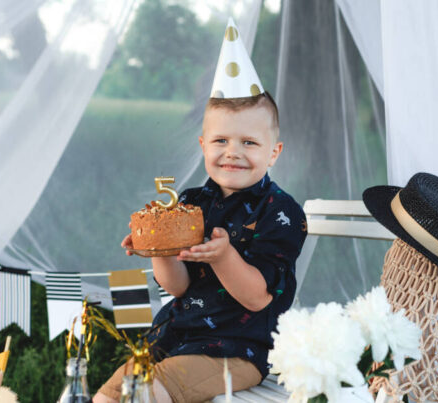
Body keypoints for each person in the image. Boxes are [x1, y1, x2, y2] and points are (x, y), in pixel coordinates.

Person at [94, 18, 307, 403]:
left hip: (236, 350)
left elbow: (258, 298)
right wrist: (160, 252)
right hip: (173, 336)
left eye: (249, 142)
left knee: (144, 393)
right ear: (203, 144)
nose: (233, 152)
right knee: (109, 395)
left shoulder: (281, 211)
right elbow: (177, 287)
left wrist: (225, 255)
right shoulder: (190, 204)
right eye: (221, 140)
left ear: (274, 152)